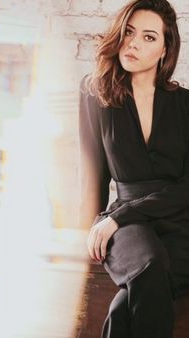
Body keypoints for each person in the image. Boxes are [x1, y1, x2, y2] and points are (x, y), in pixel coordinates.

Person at [78, 0, 189, 337]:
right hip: (126, 223)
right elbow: (93, 175)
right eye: (129, 32)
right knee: (150, 265)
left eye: (149, 37)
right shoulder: (95, 95)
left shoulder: (186, 104)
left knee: (128, 300)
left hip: (180, 215)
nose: (134, 43)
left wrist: (118, 218)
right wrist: (95, 227)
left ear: (165, 49)